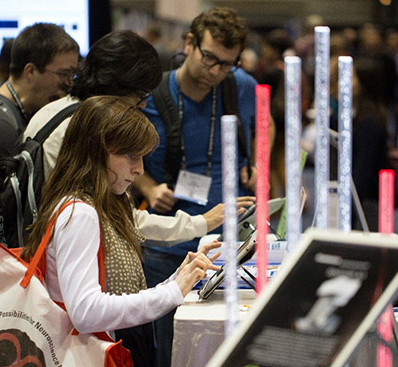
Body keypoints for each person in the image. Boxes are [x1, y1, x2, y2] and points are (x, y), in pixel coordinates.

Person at [20, 96, 221, 366]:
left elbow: (116, 295)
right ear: (96, 151)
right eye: (130, 156)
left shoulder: (104, 203)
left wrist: (178, 279)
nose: (139, 169)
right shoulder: (80, 212)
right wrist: (170, 292)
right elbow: (86, 312)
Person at [22, 30, 253, 248]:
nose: (141, 106)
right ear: (117, 87)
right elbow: (116, 220)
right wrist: (200, 222)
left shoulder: (52, 113)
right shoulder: (82, 127)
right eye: (140, 96)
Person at [133, 7, 270, 366]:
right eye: (210, 59)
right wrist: (147, 187)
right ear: (190, 43)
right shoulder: (152, 93)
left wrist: (257, 161)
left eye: (228, 63)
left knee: (228, 346)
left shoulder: (239, 86)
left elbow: (266, 124)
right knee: (167, 347)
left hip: (229, 243)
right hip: (168, 243)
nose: (216, 71)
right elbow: (120, 156)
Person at [0, 23, 79, 263]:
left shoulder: (17, 114)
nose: (69, 84)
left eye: (73, 74)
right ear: (30, 71)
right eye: (64, 74)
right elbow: (16, 213)